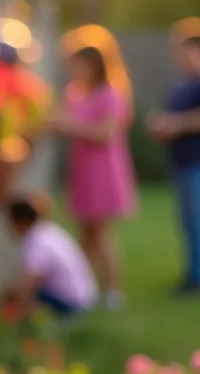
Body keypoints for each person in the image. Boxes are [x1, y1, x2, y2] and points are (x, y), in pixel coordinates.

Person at [49, 42, 137, 310]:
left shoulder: (109, 94)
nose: (72, 71)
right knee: (86, 234)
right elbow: (60, 121)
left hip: (103, 171)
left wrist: (69, 126)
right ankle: (82, 287)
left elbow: (105, 133)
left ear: (91, 66)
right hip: (84, 171)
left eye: (77, 65)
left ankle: (113, 292)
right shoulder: (74, 94)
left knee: (100, 233)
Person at [147, 32, 200, 295]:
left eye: (184, 50)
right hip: (181, 161)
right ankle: (192, 274)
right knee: (188, 223)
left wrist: (175, 124)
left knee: (196, 222)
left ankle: (196, 279)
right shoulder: (181, 83)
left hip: (196, 162)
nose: (178, 56)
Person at [2, 193, 98, 319]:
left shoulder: (36, 242)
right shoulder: (47, 230)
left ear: (21, 222)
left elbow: (27, 283)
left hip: (74, 304)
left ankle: (28, 325)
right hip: (86, 296)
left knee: (26, 294)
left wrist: (6, 296)